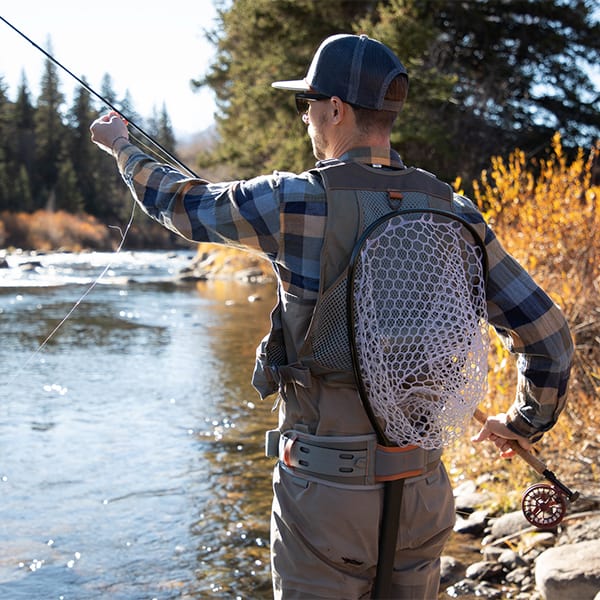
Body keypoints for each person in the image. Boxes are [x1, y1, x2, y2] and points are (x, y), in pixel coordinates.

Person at [90, 33, 574, 599]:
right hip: (422, 494)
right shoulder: (455, 210)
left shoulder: (294, 199)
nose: (306, 118)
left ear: (336, 109)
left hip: (324, 499)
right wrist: (521, 424)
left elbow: (184, 206)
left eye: (308, 104)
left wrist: (123, 148)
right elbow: (549, 340)